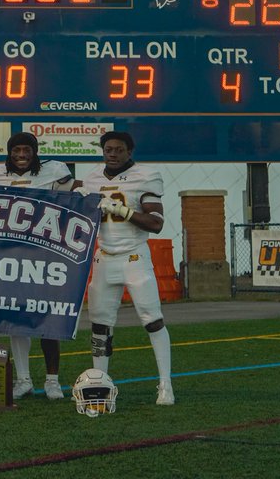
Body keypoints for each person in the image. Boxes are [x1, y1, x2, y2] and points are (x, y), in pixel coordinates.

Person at [75, 131, 174, 405]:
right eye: (108, 149)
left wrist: (123, 211)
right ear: (102, 150)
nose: (113, 154)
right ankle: (100, 383)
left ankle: (165, 383)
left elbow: (156, 223)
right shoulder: (92, 178)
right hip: (104, 256)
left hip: (134, 256)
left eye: (119, 149)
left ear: (129, 152)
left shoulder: (145, 176)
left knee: (152, 319)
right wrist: (79, 199)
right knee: (99, 324)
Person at [0, 131, 73, 400]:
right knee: (15, 319)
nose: (21, 156)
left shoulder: (53, 171)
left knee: (46, 318)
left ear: (35, 152)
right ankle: (23, 379)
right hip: (10, 257)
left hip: (44, 256)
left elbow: (73, 195)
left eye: (26, 151)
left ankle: (52, 380)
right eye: (16, 151)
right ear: (9, 152)